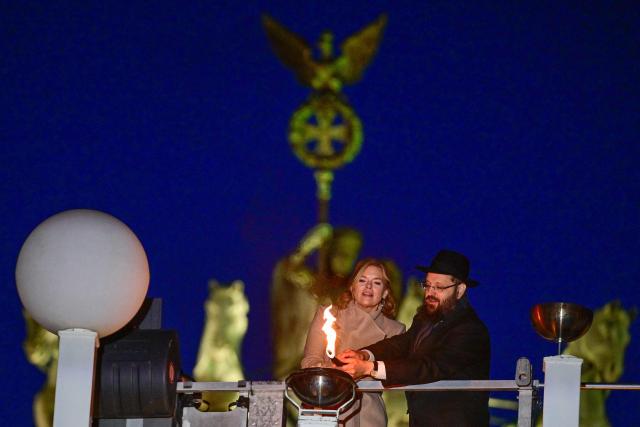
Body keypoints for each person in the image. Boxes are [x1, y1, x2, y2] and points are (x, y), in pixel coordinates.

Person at [337, 249, 491, 427]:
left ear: (460, 290)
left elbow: (429, 367)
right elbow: (401, 344)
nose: (430, 293)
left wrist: (369, 368)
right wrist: (365, 354)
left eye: (439, 287)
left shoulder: (470, 330)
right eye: (427, 285)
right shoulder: (425, 318)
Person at [302, 258, 406, 427]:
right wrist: (334, 372)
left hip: (368, 414)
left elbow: (393, 375)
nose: (368, 287)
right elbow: (309, 362)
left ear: (385, 292)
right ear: (352, 286)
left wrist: (363, 369)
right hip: (324, 409)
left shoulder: (396, 330)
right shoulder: (328, 315)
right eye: (362, 280)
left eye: (377, 282)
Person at [271, 223, 363, 379]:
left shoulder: (353, 294)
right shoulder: (308, 283)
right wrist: (308, 245)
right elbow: (287, 270)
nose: (345, 259)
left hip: (340, 373)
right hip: (299, 368)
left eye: (350, 255)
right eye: (340, 252)